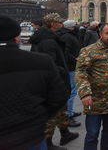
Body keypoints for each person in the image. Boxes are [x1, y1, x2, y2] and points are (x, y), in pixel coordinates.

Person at [0, 15, 68, 150]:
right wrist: (39, 117)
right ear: (17, 37)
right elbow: (58, 97)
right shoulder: (42, 61)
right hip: (31, 136)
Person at [30, 13, 79, 150]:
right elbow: (49, 64)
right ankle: (48, 143)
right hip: (53, 82)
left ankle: (65, 134)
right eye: (59, 22)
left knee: (60, 108)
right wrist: (62, 72)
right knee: (52, 112)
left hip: (54, 80)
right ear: (52, 23)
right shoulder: (48, 41)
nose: (61, 24)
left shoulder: (48, 37)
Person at [58, 19, 82, 127]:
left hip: (71, 66)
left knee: (72, 90)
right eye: (75, 25)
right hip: (70, 67)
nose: (77, 27)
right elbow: (66, 53)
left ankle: (70, 112)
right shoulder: (67, 37)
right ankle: (68, 115)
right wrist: (76, 59)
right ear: (71, 27)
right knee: (71, 91)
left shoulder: (69, 35)